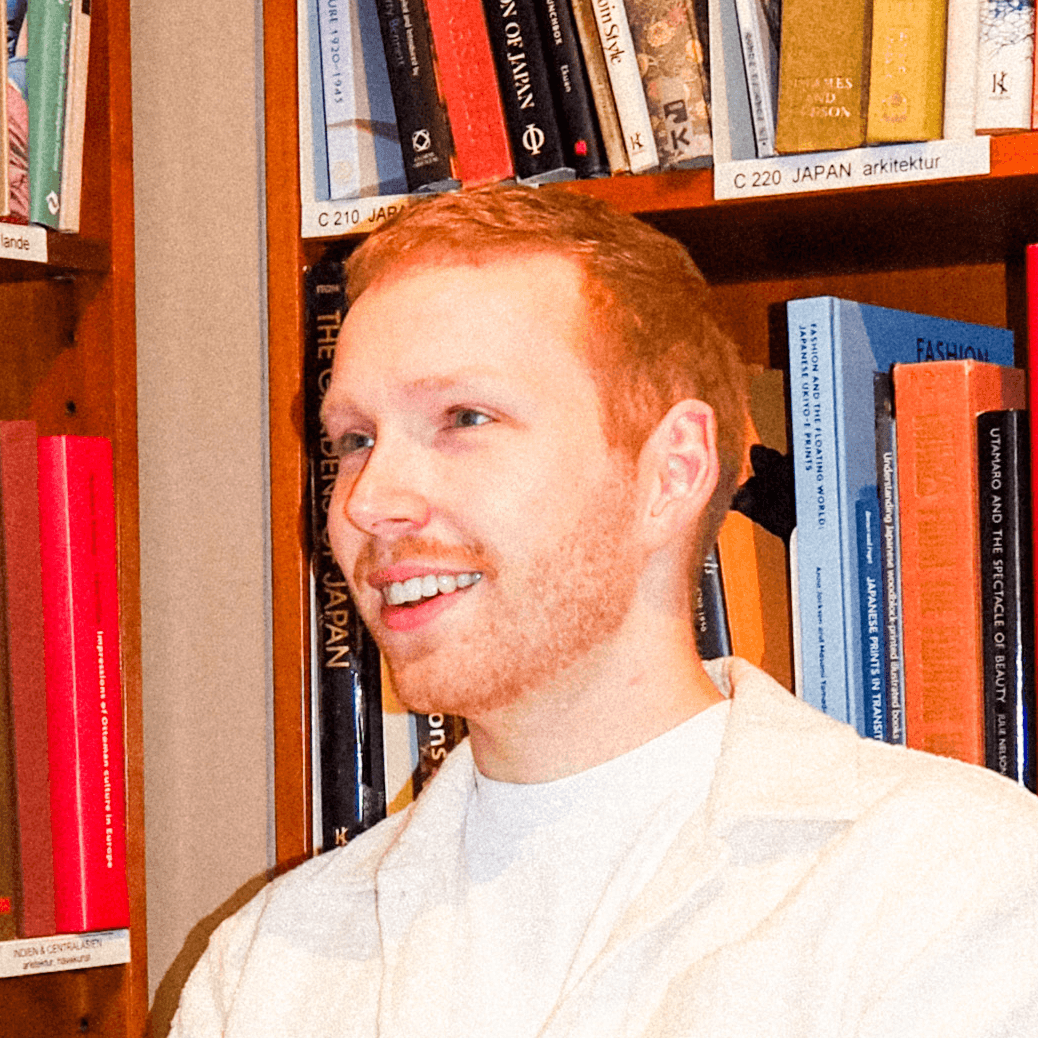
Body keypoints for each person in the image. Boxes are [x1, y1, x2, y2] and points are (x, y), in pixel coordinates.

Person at [170, 186, 1038, 1038]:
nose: (369, 502)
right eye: (355, 440)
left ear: (671, 472)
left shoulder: (956, 891)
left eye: (464, 418)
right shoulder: (267, 967)